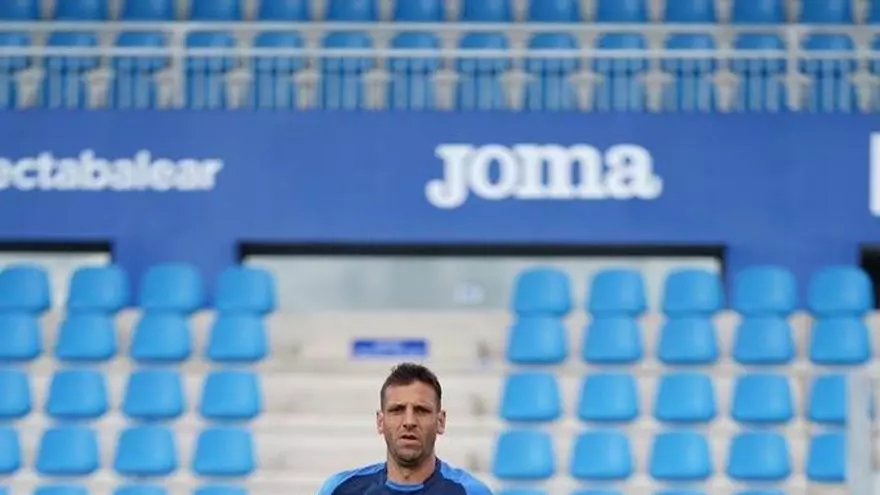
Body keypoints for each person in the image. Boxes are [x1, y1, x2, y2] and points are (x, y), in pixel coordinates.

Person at [317, 362, 494, 495]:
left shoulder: (471, 492)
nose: (409, 421)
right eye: (397, 410)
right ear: (380, 422)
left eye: (421, 410)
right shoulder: (340, 489)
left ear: (440, 421)